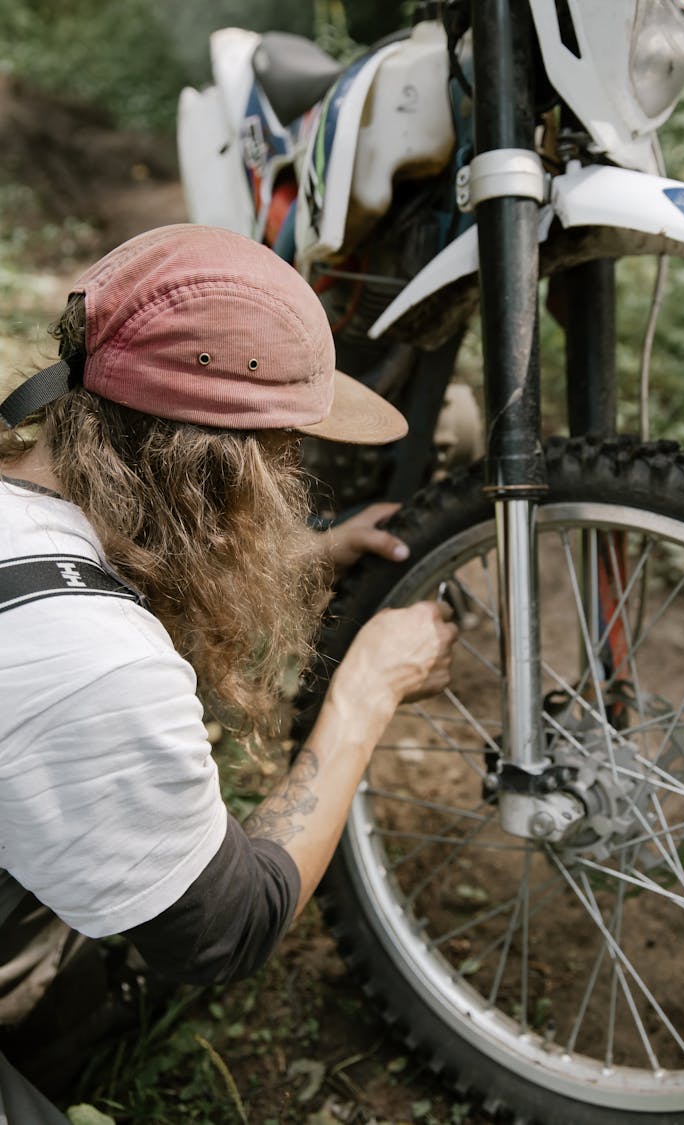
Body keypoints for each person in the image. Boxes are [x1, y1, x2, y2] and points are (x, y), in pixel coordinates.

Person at [0, 224, 457, 1122]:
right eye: (287, 451)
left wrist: (307, 553)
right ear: (229, 465)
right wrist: (365, 688)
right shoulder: (97, 667)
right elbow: (227, 927)